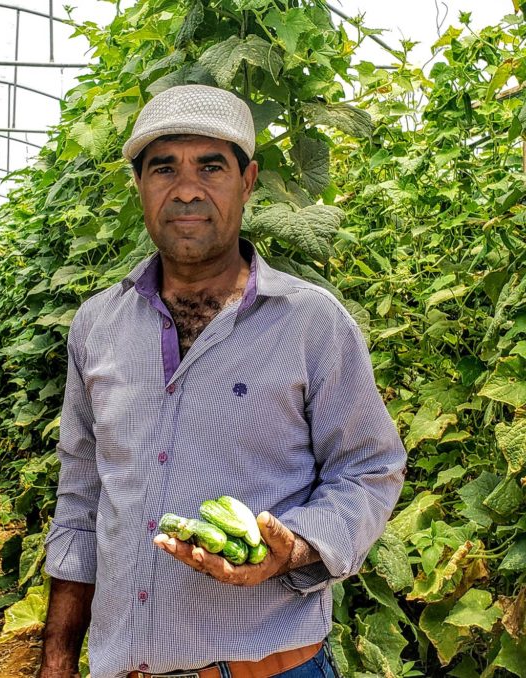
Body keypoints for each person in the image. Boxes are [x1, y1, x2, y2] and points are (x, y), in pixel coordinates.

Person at [37, 84, 407, 678]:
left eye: (211, 166)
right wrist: (57, 657)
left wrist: (297, 548)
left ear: (249, 179)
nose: (187, 189)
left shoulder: (311, 321)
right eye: (164, 168)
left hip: (272, 667)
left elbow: (369, 469)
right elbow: (81, 500)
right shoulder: (97, 324)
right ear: (139, 186)